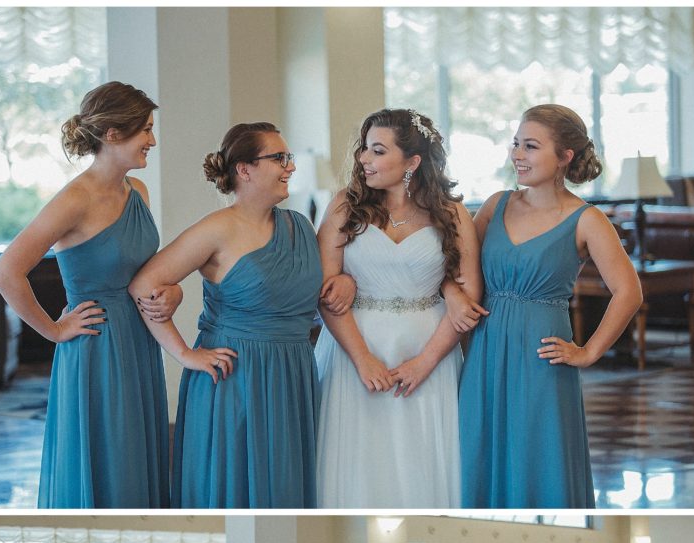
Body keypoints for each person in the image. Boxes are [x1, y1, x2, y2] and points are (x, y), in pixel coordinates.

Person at [0, 81, 213, 509]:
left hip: (140, 341)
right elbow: (6, 273)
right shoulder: (75, 199)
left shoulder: (138, 193)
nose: (153, 139)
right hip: (96, 348)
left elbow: (149, 275)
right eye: (145, 129)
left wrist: (174, 295)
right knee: (107, 454)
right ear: (113, 134)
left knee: (137, 453)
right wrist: (54, 330)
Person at [128, 122, 354, 509]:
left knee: (283, 486)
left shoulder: (298, 225)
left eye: (289, 158)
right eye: (279, 158)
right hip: (234, 377)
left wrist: (344, 281)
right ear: (244, 170)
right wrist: (184, 354)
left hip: (292, 372)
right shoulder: (217, 229)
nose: (290, 167)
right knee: (234, 488)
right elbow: (144, 284)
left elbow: (313, 288)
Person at [458, 104, 643, 508]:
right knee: (477, 449)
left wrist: (589, 351)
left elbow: (629, 292)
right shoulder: (496, 204)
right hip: (483, 351)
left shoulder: (587, 219)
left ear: (565, 157)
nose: (517, 155)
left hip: (542, 357)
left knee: (537, 455)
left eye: (530, 146)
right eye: (516, 144)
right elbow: (459, 269)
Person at [314, 108, 483, 508]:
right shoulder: (345, 206)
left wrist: (425, 363)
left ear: (412, 162)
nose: (363, 160)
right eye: (364, 150)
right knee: (357, 457)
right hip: (353, 346)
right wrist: (363, 360)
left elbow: (468, 295)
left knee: (421, 456)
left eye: (377, 151)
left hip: (430, 348)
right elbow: (325, 291)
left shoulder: (453, 214)